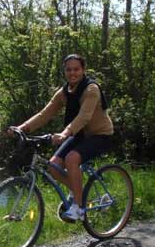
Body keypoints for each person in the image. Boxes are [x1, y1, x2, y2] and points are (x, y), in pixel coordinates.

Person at [9, 54, 114, 221]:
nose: (72, 73)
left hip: (100, 135)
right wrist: (21, 128)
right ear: (64, 71)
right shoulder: (65, 92)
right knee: (53, 166)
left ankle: (79, 208)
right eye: (69, 69)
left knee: (72, 159)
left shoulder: (91, 89)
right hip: (79, 134)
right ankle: (79, 194)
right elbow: (44, 114)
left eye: (76, 69)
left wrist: (65, 133)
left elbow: (84, 117)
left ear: (83, 70)